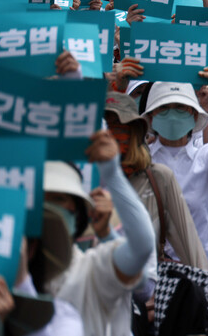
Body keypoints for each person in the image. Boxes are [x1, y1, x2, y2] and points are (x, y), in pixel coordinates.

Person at [43, 131, 155, 336]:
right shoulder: (11, 274)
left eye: (58, 199)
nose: (48, 210)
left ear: (76, 212)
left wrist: (112, 174)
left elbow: (142, 246)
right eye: (42, 201)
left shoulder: (92, 268)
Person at [143, 69, 208, 271]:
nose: (172, 115)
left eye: (180, 108)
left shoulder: (205, 159)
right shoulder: (140, 159)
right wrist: (117, 91)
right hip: (148, 275)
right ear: (150, 118)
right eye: (164, 108)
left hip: (198, 273)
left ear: (193, 115)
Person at [104, 91, 208, 270]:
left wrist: (205, 292)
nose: (114, 137)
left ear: (135, 134)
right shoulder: (81, 180)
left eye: (122, 128)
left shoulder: (158, 178)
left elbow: (192, 253)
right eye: (106, 128)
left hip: (146, 291)